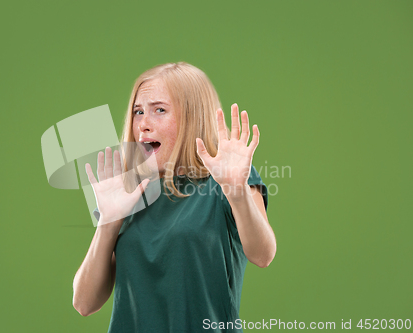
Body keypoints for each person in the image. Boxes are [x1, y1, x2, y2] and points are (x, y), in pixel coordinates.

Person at [72, 62, 276, 332]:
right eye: (138, 112)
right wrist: (108, 221)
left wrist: (236, 191)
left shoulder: (227, 180)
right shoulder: (130, 191)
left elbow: (263, 255)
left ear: (193, 117)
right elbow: (85, 303)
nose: (143, 124)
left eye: (159, 110)